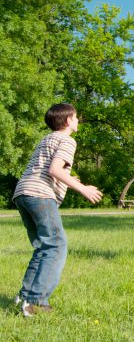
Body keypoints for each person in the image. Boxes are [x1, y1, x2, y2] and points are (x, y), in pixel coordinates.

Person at [13, 103, 103, 317]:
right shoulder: (67, 140)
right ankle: (35, 302)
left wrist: (70, 180)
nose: (78, 120)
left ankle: (24, 297)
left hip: (23, 193)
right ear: (68, 121)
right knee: (56, 245)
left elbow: (46, 168)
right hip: (40, 194)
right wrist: (83, 189)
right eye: (76, 117)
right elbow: (54, 170)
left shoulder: (47, 139)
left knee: (43, 247)